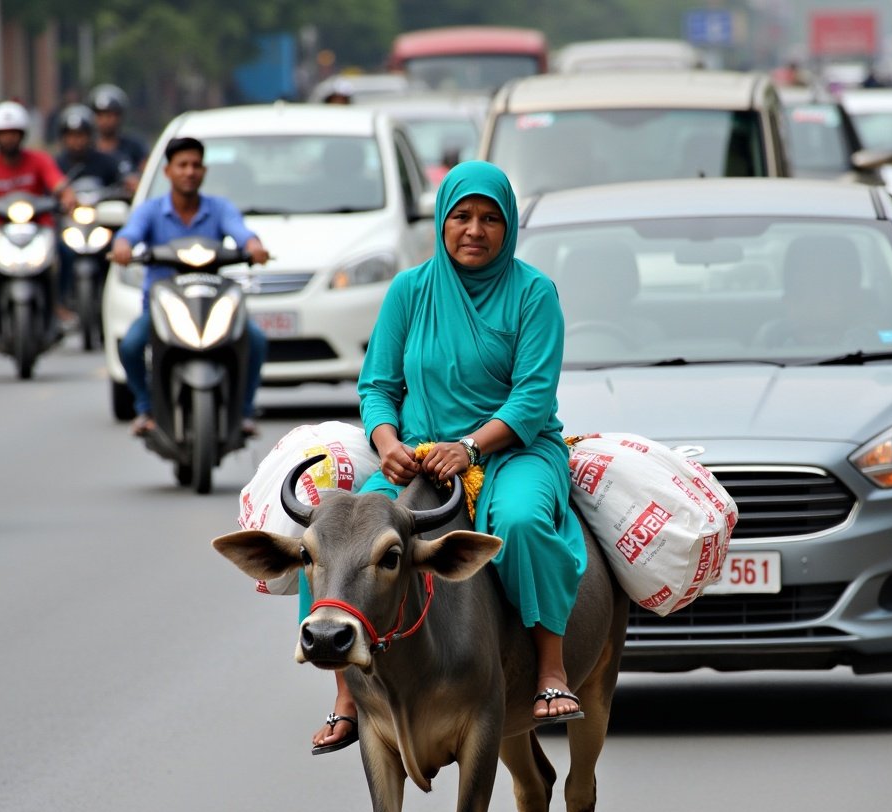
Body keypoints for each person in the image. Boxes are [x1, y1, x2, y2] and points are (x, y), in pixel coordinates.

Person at [309, 160, 587, 755]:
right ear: (441, 221)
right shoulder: (409, 291)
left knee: (521, 522)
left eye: (490, 218)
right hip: (419, 459)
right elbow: (377, 387)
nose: (475, 230)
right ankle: (347, 694)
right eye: (462, 216)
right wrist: (389, 446)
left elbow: (533, 395)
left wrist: (471, 448)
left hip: (514, 449)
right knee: (333, 533)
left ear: (508, 225)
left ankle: (551, 669)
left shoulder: (535, 293)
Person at [109, 136, 270, 437]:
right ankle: (146, 409)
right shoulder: (150, 210)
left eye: (196, 165)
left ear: (204, 171)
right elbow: (129, 234)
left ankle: (245, 412)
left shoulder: (219, 208)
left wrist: (254, 246)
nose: (189, 171)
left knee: (257, 340)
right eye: (182, 165)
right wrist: (122, 247)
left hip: (211, 303)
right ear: (168, 171)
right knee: (130, 346)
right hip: (163, 309)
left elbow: (242, 232)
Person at [0, 100, 78, 325]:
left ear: (22, 135)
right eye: (3, 134)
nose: (9, 138)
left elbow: (58, 183)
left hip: (38, 227)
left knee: (66, 253)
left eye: (13, 133)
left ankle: (58, 302)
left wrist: (68, 195)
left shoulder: (39, 160)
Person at [88, 84, 147, 195]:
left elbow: (147, 172)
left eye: (110, 115)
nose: (105, 120)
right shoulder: (87, 150)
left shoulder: (134, 146)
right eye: (100, 115)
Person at [55, 105, 122, 187]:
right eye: (72, 135)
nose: (77, 141)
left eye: (81, 135)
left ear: (90, 136)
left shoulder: (107, 163)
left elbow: (121, 184)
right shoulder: (56, 166)